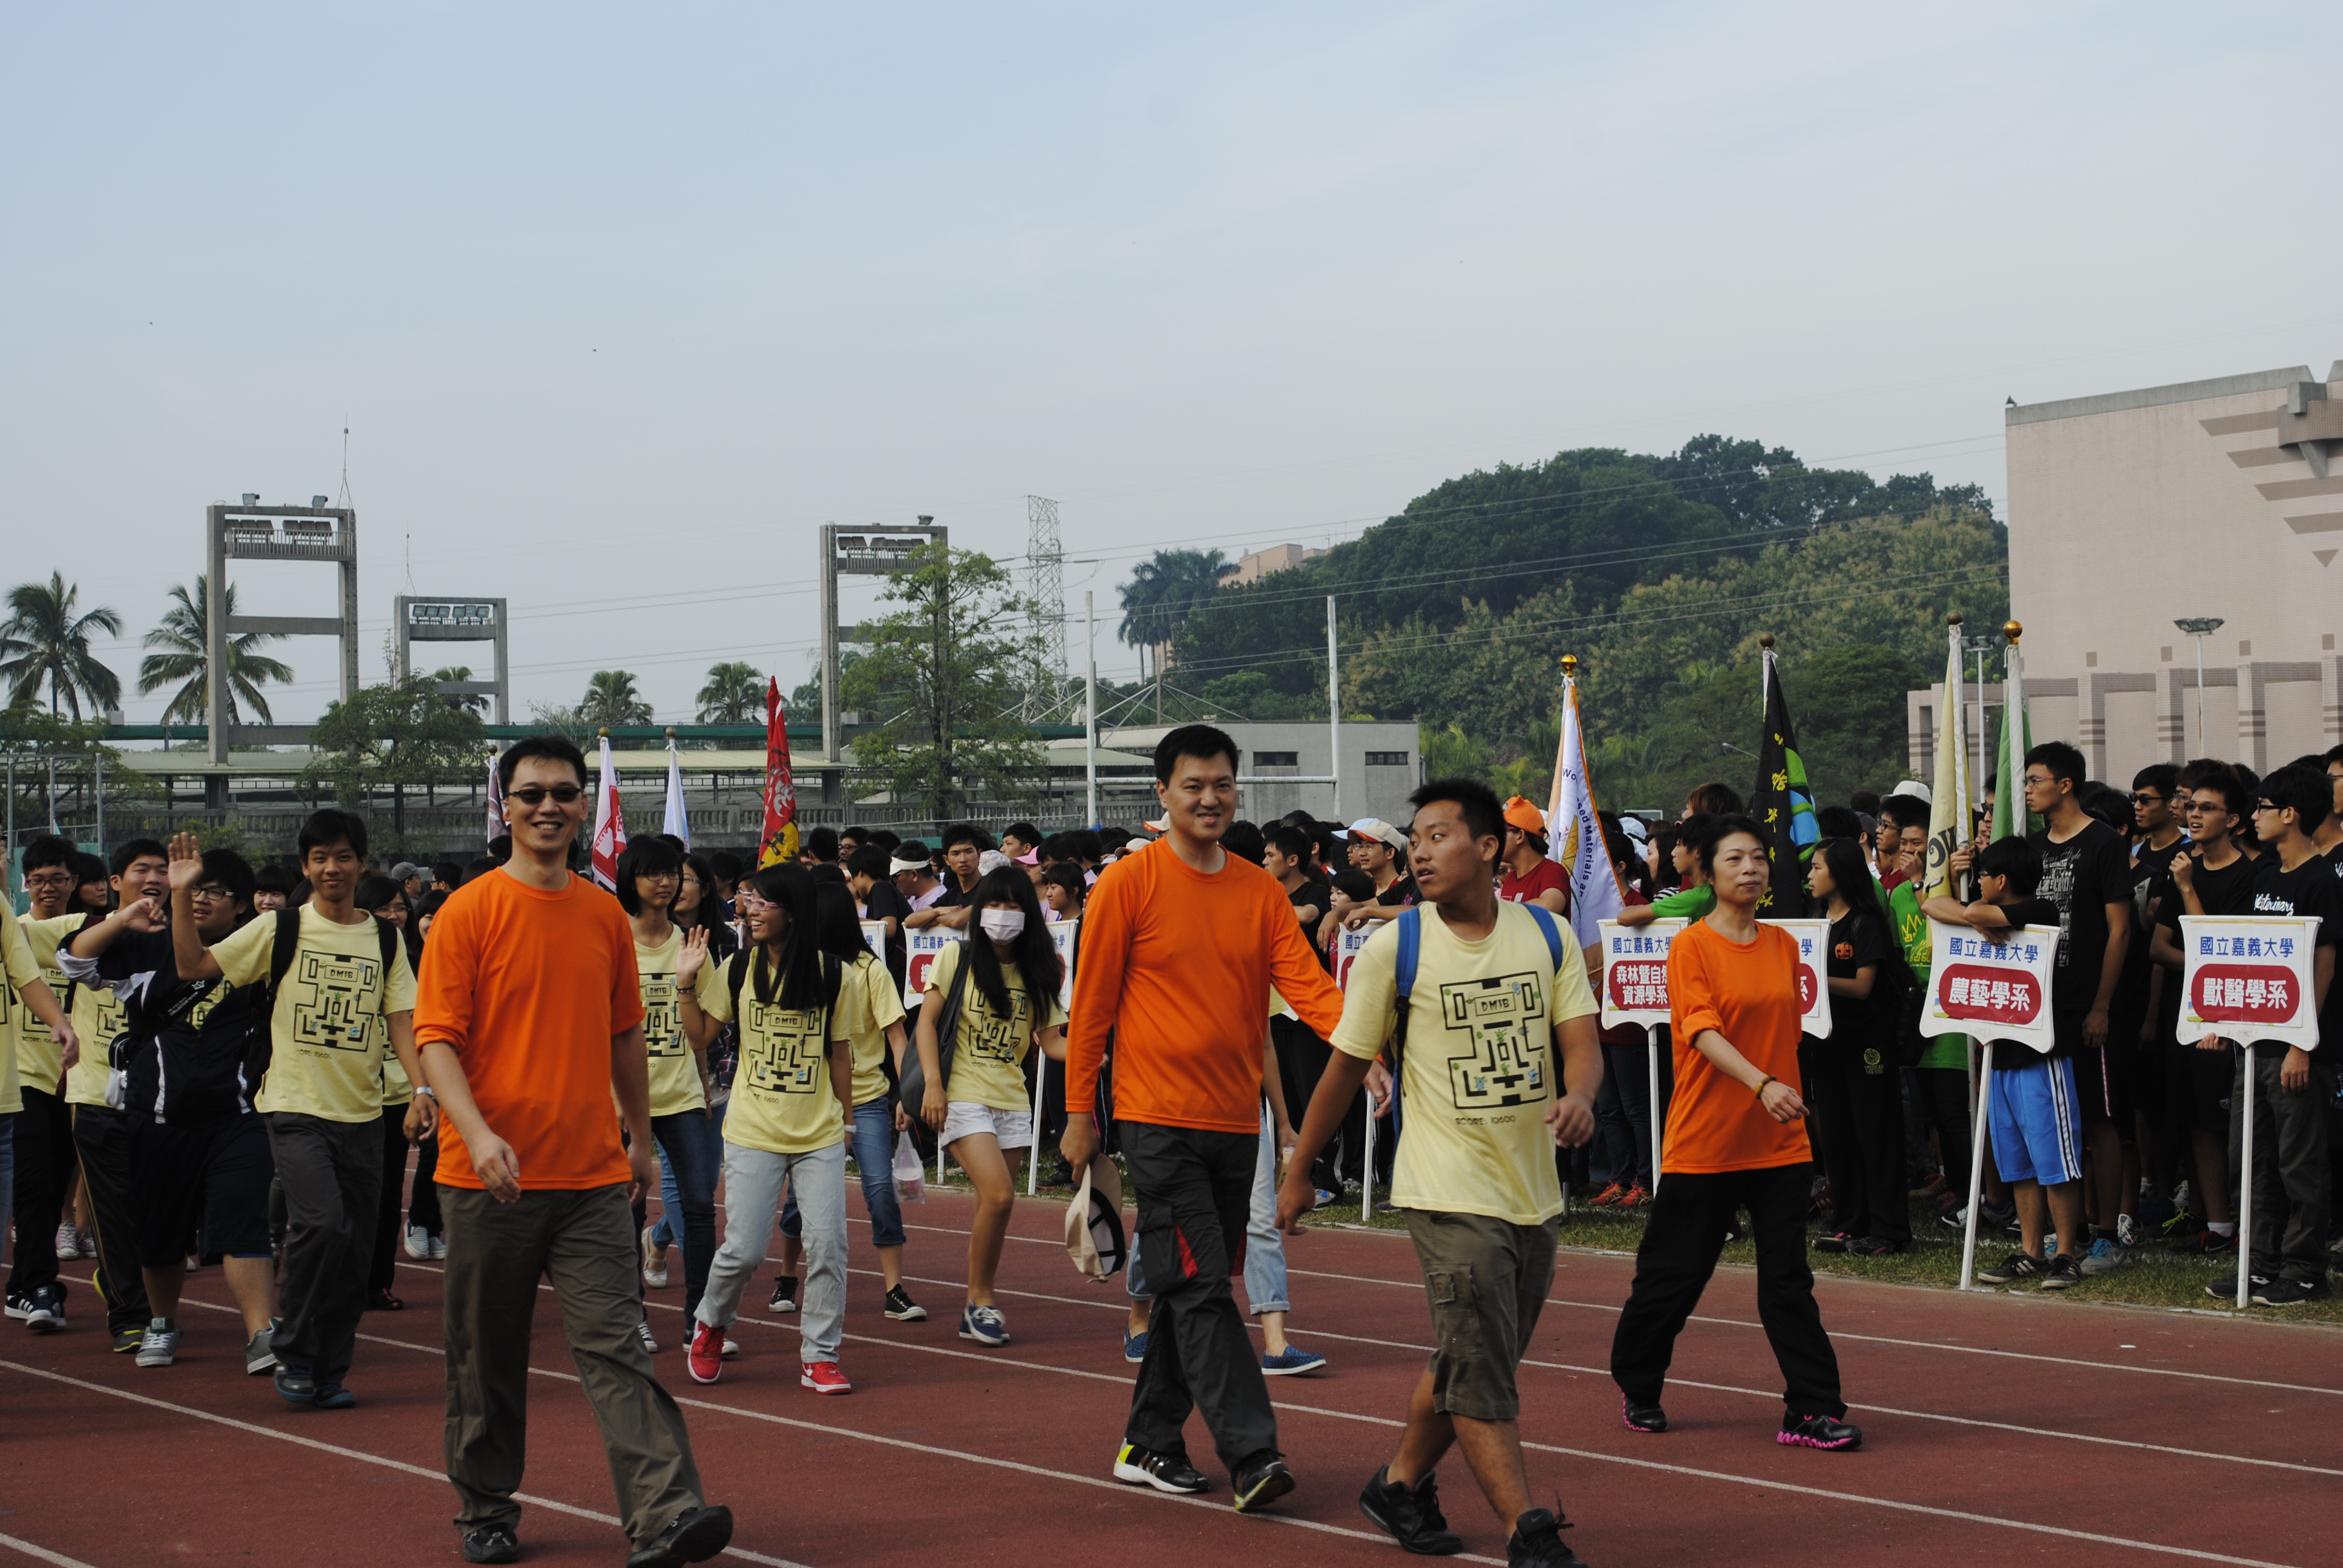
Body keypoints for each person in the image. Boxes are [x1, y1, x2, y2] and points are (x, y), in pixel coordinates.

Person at [415, 736, 732, 1568]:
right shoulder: (468, 913)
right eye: (531, 794)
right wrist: (478, 1134)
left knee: (618, 1348)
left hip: (592, 1177)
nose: (548, 807)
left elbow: (625, 1034)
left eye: (563, 792)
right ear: (506, 805)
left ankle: (666, 1513)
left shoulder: (601, 915)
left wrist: (638, 1137)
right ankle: (485, 1507)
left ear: (583, 804)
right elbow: (436, 1042)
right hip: (488, 1182)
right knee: (486, 1357)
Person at [1277, 779, 1602, 1566]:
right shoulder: (1399, 946)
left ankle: (1396, 1485)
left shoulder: (1547, 936)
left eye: (1437, 836)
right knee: (1482, 1364)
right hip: (1443, 1190)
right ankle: (1527, 1530)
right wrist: (1299, 1168)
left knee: (1471, 1357)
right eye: (1413, 838)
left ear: (1488, 847)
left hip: (1532, 1191)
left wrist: (1583, 1098)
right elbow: (1345, 1068)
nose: (1418, 851)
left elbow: (1582, 1043)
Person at [1062, 724, 1350, 1512]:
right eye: (1193, 784)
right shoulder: (1129, 884)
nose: (1210, 797)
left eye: (1222, 783)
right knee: (1200, 1288)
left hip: (1236, 1125)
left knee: (1193, 1288)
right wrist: (1080, 1114)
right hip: (1155, 1123)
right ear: (1163, 793)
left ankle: (1149, 1443)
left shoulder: (1259, 892)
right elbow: (1090, 1009)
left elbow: (1309, 989)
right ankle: (1253, 1453)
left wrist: (1371, 1044)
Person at [155, 820, 430, 1403]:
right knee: (322, 1224)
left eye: (344, 857)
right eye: (320, 858)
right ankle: (295, 1352)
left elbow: (402, 1020)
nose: (332, 868)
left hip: (365, 1112)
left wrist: (422, 1091)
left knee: (355, 1248)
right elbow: (193, 967)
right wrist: (181, 894)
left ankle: (327, 1370)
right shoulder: (279, 929)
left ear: (363, 865)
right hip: (294, 1104)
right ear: (305, 867)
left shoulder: (385, 940)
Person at [1610, 813, 1861, 1451]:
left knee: (1787, 1282)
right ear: (1707, 871)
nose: (1749, 868)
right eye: (1733, 859)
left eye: (1757, 857)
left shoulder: (1781, 944)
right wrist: (1761, 1084)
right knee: (1673, 1276)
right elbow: (1701, 1030)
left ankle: (1810, 1408)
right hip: (1707, 1139)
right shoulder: (1690, 945)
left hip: (1778, 1144)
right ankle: (1638, 1384)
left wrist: (1781, 1091)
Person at [61, 848, 280, 1373]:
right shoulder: (143, 947)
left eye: (213, 891)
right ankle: (161, 1322)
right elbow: (73, 960)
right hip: (155, 1119)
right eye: (194, 890)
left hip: (236, 1118)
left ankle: (262, 1333)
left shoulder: (259, 954)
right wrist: (123, 916)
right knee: (160, 1234)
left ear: (242, 908)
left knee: (243, 1220)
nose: (200, 898)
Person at [686, 864, 858, 1394]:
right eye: (747, 900)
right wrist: (686, 982)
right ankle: (712, 1323)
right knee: (745, 1249)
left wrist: (848, 1122)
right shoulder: (737, 969)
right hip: (753, 1131)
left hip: (820, 1134)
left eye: (762, 902)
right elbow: (700, 1036)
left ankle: (820, 1355)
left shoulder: (835, 975)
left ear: (793, 910)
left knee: (829, 1247)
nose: (750, 909)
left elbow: (840, 1052)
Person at [908, 866, 1066, 1345]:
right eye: (995, 904)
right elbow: (925, 1025)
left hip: (1012, 1098)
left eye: (1015, 905)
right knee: (1000, 1195)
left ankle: (975, 1304)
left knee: (991, 1204)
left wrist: (1093, 1054)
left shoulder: (1040, 969)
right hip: (962, 1091)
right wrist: (934, 1086)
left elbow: (1050, 1042)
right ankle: (981, 1300)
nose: (1004, 914)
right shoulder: (957, 957)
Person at [1924, 837, 2086, 1287]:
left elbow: (1971, 912)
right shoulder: (1992, 912)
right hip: (2001, 1054)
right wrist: (1973, 916)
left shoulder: (2041, 911)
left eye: (1982, 877)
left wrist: (1974, 915)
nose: (1976, 884)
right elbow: (1931, 907)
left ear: (2002, 880)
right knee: (2018, 1163)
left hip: (2041, 1055)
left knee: (2055, 1160)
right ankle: (2032, 1252)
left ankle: (2067, 1253)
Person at [2206, 765, 2337, 1305]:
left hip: (2294, 1051)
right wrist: (2220, 1023)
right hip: (2253, 1045)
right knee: (2250, 1158)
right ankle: (2259, 1263)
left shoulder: (2320, 879)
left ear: (2291, 814)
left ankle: (2305, 1268)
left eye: (2262, 808)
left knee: (2298, 1161)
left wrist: (2301, 1043)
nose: (2254, 817)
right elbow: (2246, 961)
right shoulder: (2264, 879)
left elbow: (2324, 966)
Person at [770, 881, 922, 1324]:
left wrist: (907, 1094)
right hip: (814, 1102)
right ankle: (786, 1277)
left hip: (869, 1098)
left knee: (880, 1190)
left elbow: (898, 1036)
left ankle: (894, 1290)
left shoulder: (870, 971)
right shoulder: (799, 967)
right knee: (801, 1198)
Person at [2022, 742, 2134, 1275]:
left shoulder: (2104, 843)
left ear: (2065, 784)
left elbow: (2120, 930)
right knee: (2056, 1117)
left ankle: (2109, 1234)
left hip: (2089, 1004)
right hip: (2042, 1006)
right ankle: (2069, 1233)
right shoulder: (2030, 848)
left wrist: (2102, 1005)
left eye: (2036, 779)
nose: (2027, 788)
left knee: (2099, 1117)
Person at [59, 840, 171, 1351]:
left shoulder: (185, 939)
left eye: (162, 871)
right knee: (113, 1210)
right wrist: (123, 920)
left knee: (155, 1208)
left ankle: (132, 1286)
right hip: (97, 1094)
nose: (153, 878)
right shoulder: (100, 934)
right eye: (141, 870)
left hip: (163, 1100)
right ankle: (129, 1313)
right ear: (115, 881)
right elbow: (74, 961)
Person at [615, 838, 724, 1341]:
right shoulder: (611, 942)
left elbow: (701, 1029)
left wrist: (703, 1084)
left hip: (681, 1095)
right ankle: (631, 1314)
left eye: (672, 875)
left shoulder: (693, 943)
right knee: (625, 1207)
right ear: (630, 879)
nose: (665, 883)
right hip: (620, 1099)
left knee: (700, 1204)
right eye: (652, 874)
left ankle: (699, 1318)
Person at [1802, 837, 1907, 1256]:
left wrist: (1807, 981)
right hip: (1826, 1044)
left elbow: (1864, 987)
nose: (1809, 876)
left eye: (1817, 868)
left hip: (1868, 1046)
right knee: (1839, 1136)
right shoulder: (1815, 922)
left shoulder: (1865, 922)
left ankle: (1889, 1230)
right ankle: (1848, 1221)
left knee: (1875, 1135)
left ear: (1841, 873)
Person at [4, 839, 84, 1335]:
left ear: (74, 883)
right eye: (38, 879)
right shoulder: (18, 932)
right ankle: (35, 1286)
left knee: (58, 1185)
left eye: (58, 878)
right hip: (26, 1080)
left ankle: (35, 1280)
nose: (48, 887)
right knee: (33, 1188)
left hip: (75, 1084)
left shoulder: (89, 938)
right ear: (24, 884)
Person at [352, 874, 424, 1312]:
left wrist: (422, 1090)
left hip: (397, 1097)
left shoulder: (415, 961)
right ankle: (342, 1277)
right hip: (350, 1097)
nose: (395, 916)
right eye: (385, 909)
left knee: (386, 1195)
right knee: (347, 1198)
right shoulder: (355, 953)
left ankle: (377, 1282)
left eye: (400, 908)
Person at [1497, 797, 1569, 916]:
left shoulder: (1552, 872)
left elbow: (1549, 907)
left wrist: (1504, 911)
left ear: (1520, 836)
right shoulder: (1510, 878)